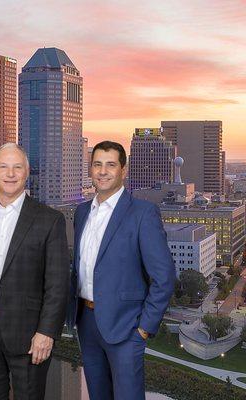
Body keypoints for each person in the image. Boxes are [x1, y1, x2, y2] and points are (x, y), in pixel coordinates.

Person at [0, 143, 69, 400]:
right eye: (4, 167)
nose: (10, 173)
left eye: (17, 167)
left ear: (26, 172)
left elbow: (57, 283)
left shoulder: (49, 220)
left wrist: (47, 332)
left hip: (30, 335)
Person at [68, 141, 175, 400]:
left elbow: (164, 276)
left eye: (110, 165)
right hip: (86, 322)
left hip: (127, 327)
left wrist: (144, 329)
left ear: (123, 170)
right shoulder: (82, 211)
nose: (103, 171)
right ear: (90, 170)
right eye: (97, 164)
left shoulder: (143, 213)